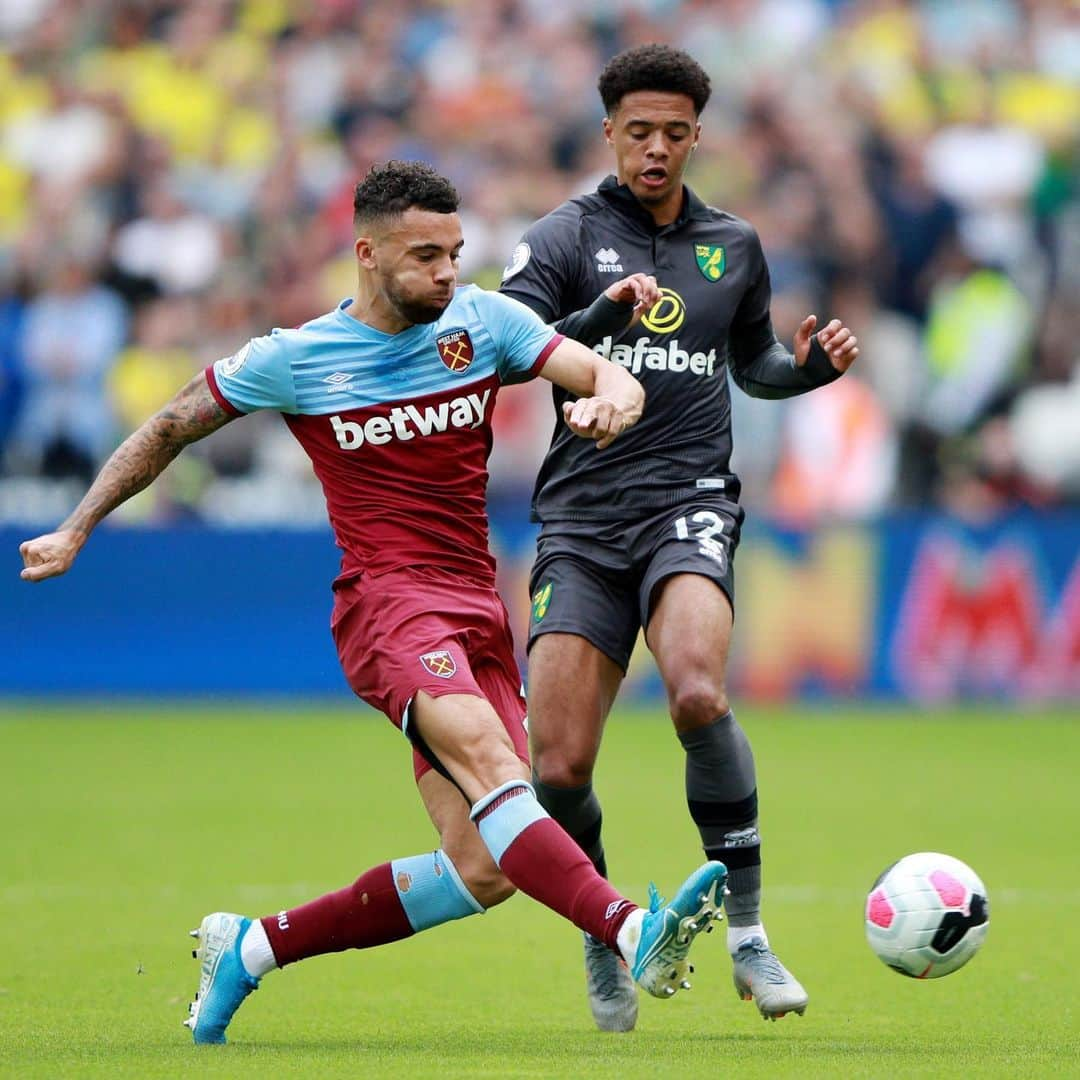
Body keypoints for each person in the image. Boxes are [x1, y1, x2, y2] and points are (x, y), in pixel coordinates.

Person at [19, 161, 728, 1045]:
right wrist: (78, 526)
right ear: (366, 253)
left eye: (455, 252)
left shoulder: (486, 321)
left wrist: (613, 403)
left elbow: (604, 374)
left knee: (481, 869)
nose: (446, 271)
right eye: (425, 255)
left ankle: (249, 949)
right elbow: (169, 426)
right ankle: (631, 929)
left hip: (476, 606)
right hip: (387, 606)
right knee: (500, 773)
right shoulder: (297, 357)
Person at [500, 45, 860, 1031]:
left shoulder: (733, 246)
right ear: (609, 132)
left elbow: (753, 364)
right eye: (638, 132)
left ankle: (747, 933)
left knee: (699, 687)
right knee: (559, 767)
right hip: (581, 515)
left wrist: (806, 370)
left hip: (688, 496)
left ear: (697, 135)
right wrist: (592, 323)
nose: (656, 149)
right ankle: (608, 936)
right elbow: (508, 350)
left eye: (674, 133)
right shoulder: (561, 237)